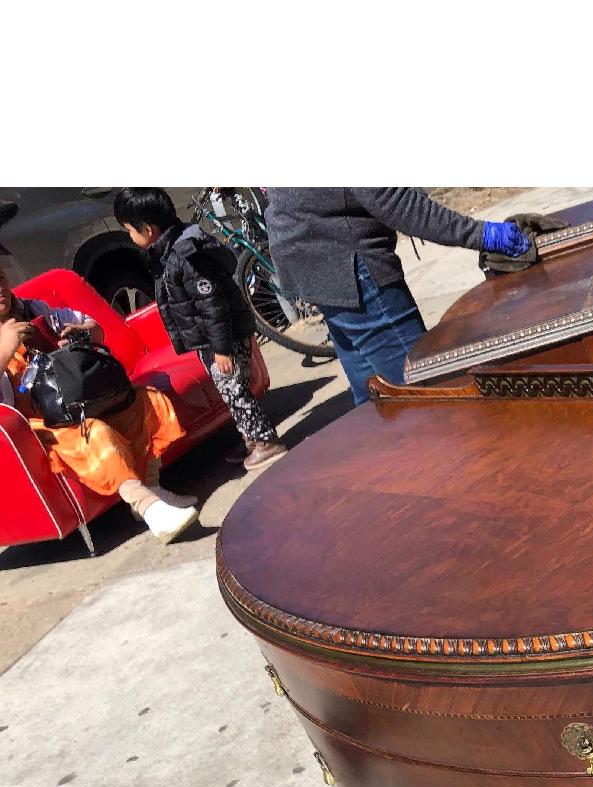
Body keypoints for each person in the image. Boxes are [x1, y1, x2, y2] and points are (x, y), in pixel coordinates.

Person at [264, 189, 533, 404]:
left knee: (378, 398)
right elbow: (395, 202)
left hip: (310, 256)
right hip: (346, 265)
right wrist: (482, 234)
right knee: (422, 390)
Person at [0, 259, 199, 543]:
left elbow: (95, 329)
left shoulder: (33, 310)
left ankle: (153, 490)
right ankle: (145, 504)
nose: (0, 289)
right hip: (37, 426)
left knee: (146, 400)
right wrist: (5, 349)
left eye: (1, 279)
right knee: (95, 432)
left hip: (76, 401)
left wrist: (79, 334)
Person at [114, 187, 286, 471]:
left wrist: (221, 348)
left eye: (130, 231)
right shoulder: (171, 250)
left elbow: (212, 305)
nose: (131, 238)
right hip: (215, 339)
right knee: (231, 390)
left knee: (235, 391)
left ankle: (265, 441)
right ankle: (251, 440)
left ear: (148, 229)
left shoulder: (185, 254)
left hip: (222, 339)